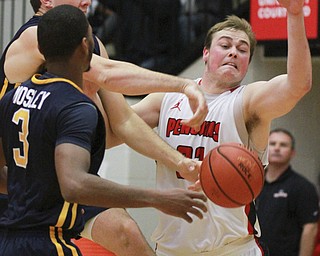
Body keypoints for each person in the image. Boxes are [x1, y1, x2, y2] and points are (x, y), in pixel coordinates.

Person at [0, 0, 208, 255]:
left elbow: (122, 122)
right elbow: (107, 74)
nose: (87, 0)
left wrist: (180, 162)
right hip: (17, 181)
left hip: (62, 176)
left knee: (125, 232)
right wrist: (183, 85)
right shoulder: (37, 36)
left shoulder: (89, 46)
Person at [127, 0, 313, 254]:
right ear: (205, 53)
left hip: (233, 248)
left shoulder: (249, 101)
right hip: (173, 249)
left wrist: (294, 14)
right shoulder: (167, 97)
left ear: (247, 62)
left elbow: (297, 85)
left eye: (242, 49)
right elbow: (116, 127)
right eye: (225, 45)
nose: (234, 52)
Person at [256, 128, 319, 256]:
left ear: (292, 153)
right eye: (272, 144)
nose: (277, 148)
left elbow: (310, 229)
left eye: (283, 145)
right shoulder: (254, 184)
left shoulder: (303, 187)